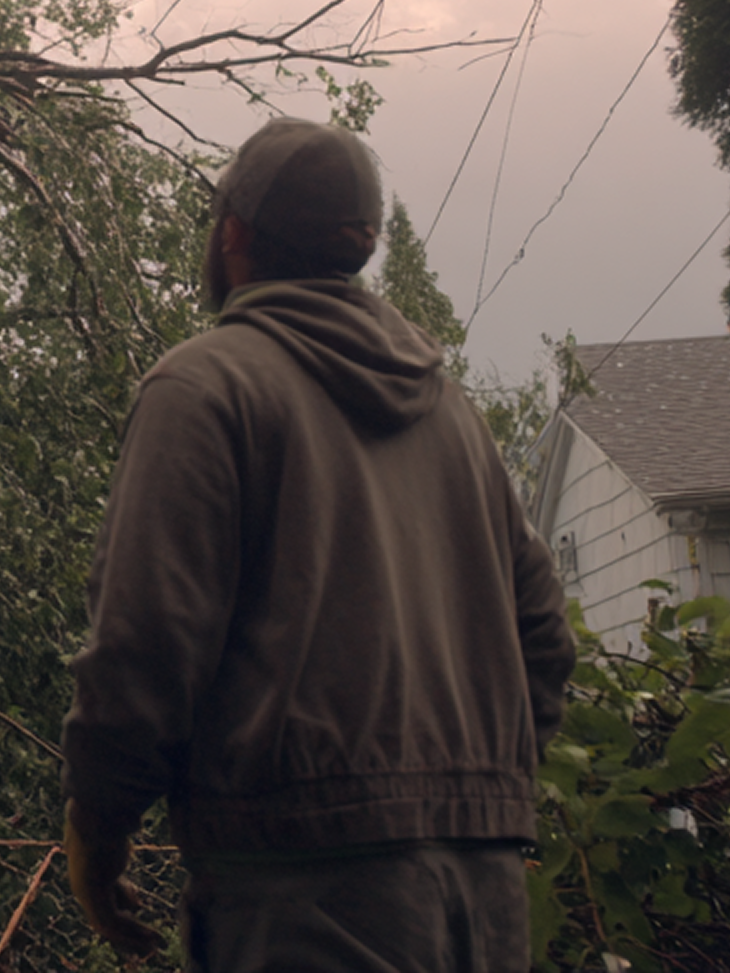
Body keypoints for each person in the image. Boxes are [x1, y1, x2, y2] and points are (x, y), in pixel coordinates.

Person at [62, 119, 574, 972]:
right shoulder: (454, 415)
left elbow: (146, 644)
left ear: (232, 236)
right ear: (360, 246)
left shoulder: (204, 387)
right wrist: (469, 793)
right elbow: (545, 640)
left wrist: (99, 825)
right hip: (482, 904)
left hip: (302, 897)